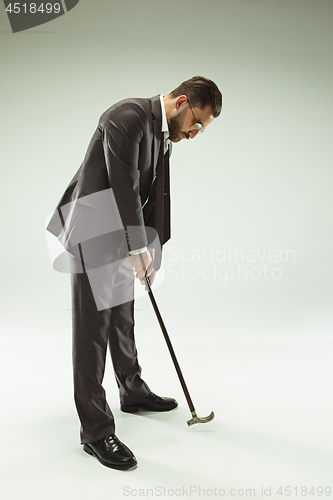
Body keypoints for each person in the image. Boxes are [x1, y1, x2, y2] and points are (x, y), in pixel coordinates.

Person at [47, 76, 222, 470]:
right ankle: (95, 431)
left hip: (123, 234)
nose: (194, 134)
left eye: (201, 131)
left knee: (122, 316)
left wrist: (148, 246)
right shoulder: (126, 117)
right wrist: (137, 245)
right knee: (93, 329)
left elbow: (151, 192)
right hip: (94, 230)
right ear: (181, 102)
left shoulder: (163, 133)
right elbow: (123, 185)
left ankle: (132, 390)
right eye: (196, 124)